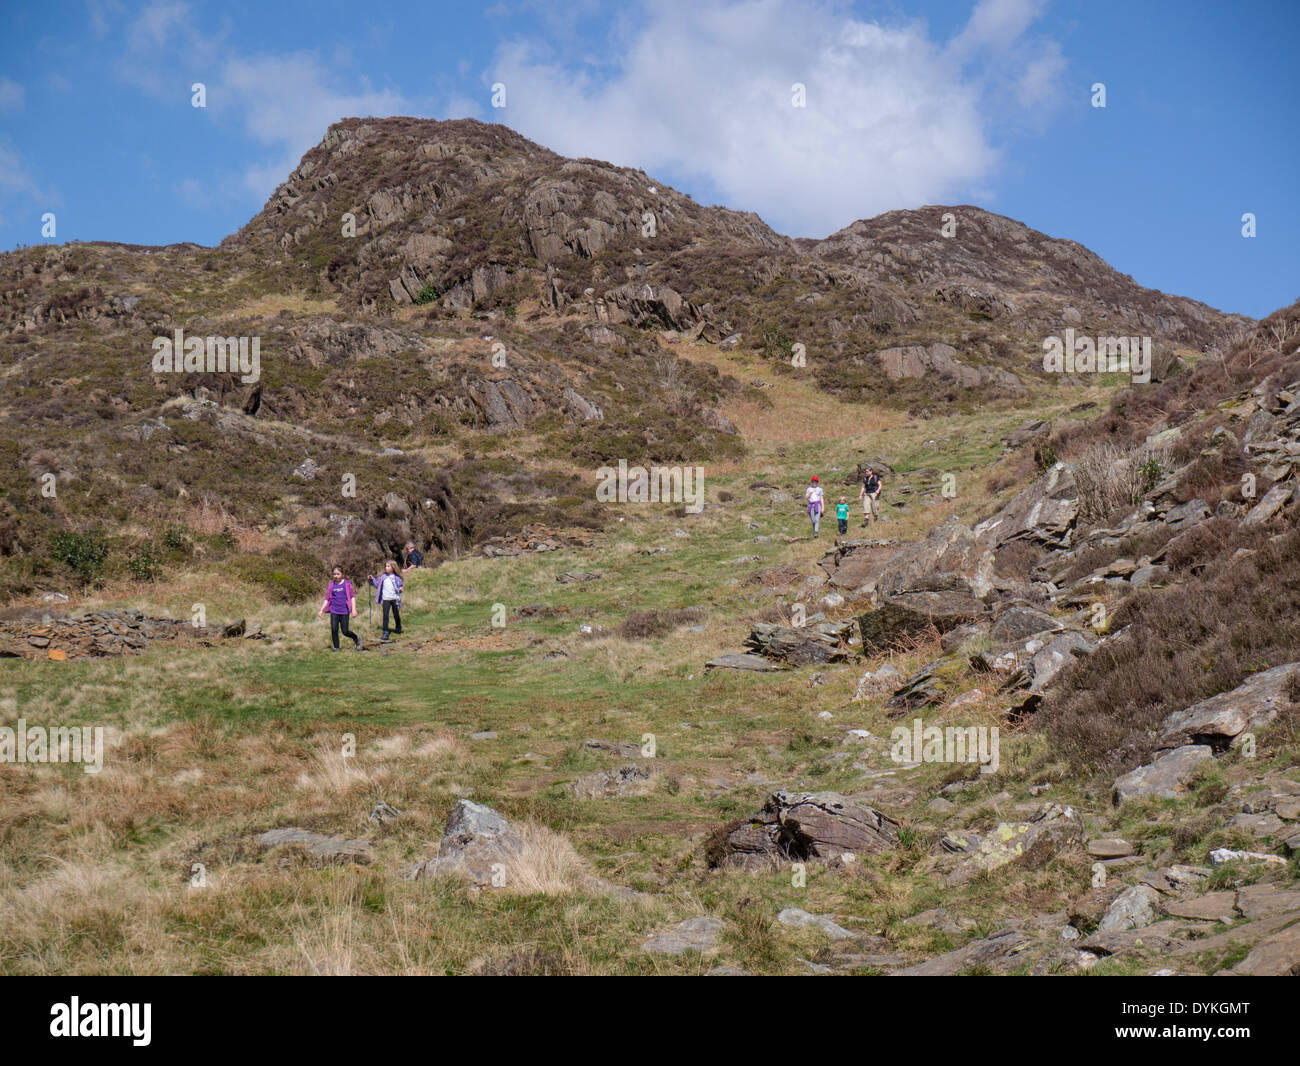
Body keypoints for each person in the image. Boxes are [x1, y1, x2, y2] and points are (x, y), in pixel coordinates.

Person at [317, 566, 361, 651]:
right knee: (334, 629)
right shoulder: (331, 585)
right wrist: (321, 610)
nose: (336, 576)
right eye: (334, 574)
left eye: (338, 574)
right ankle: (336, 647)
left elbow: (352, 597)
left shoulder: (347, 584)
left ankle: (356, 638)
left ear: (342, 574)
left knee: (345, 631)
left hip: (344, 611)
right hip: (334, 610)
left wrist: (354, 609)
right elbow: (327, 598)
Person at [368, 560, 404, 641]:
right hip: (385, 599)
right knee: (385, 616)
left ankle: (398, 627)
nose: (386, 568)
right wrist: (372, 579)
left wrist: (401, 589)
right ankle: (385, 632)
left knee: (396, 614)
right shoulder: (383, 577)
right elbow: (377, 584)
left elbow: (400, 587)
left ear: (393, 568)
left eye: (388, 566)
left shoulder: (397, 578)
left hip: (395, 599)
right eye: (386, 566)